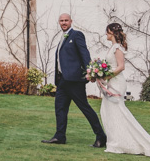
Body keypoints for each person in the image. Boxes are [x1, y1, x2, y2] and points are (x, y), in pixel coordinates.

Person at [95, 22, 150, 160]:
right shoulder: (112, 47)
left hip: (116, 83)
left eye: (107, 32)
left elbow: (121, 67)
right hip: (111, 82)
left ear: (112, 33)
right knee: (108, 111)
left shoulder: (118, 48)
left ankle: (125, 142)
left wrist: (106, 76)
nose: (105, 34)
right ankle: (116, 142)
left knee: (118, 111)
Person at [42, 13, 107, 147]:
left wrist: (89, 73)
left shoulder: (77, 35)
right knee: (60, 109)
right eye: (61, 21)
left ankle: (101, 137)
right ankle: (60, 136)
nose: (64, 23)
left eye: (66, 20)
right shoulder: (62, 38)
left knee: (85, 108)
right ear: (59, 22)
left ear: (71, 21)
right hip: (62, 81)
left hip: (75, 81)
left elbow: (84, 54)